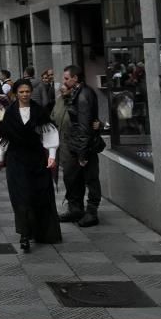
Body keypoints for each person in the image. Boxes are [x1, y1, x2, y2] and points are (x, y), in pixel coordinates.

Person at [0, 79, 62, 252]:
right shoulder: (10, 113)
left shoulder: (39, 111)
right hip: (16, 159)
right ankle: (24, 235)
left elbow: (49, 134)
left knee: (40, 195)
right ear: (15, 93)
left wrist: (52, 156)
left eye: (27, 91)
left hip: (36, 158)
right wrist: (0, 157)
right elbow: (5, 137)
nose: (25, 94)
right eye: (21, 92)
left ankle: (43, 232)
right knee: (21, 197)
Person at [59, 65, 104, 227]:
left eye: (66, 78)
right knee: (72, 177)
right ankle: (75, 209)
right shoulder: (76, 93)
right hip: (76, 144)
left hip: (84, 145)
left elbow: (84, 126)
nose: (63, 81)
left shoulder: (84, 94)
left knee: (91, 179)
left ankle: (92, 213)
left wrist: (82, 153)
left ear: (75, 78)